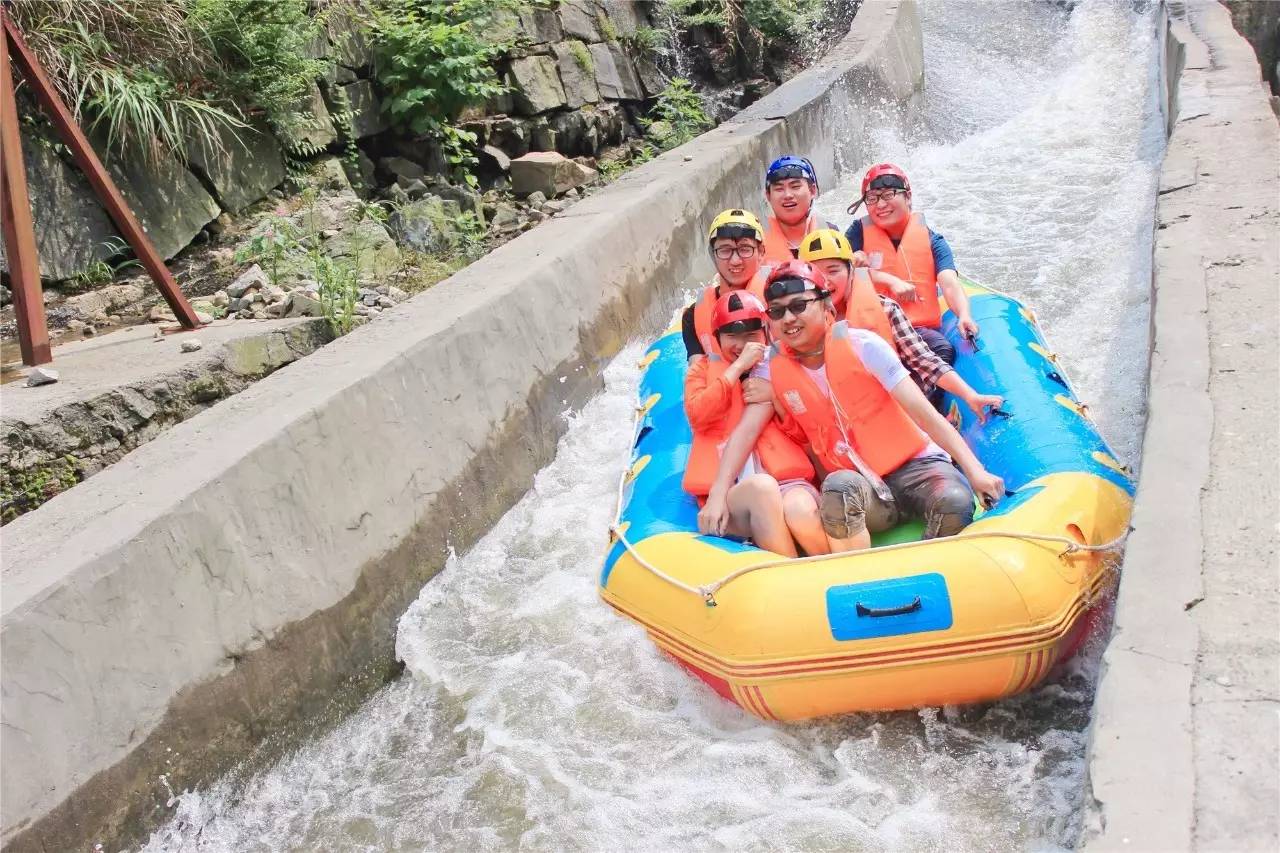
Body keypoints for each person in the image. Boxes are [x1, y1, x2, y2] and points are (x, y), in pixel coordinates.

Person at [718, 261, 1004, 553]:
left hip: (918, 469)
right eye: (777, 312)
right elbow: (745, 432)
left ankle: (920, 567)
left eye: (799, 306)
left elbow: (925, 414)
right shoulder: (770, 368)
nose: (788, 318)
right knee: (839, 489)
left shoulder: (864, 346)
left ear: (826, 306)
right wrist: (718, 494)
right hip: (861, 488)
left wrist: (974, 470)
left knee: (955, 502)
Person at [797, 228, 1004, 419]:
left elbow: (925, 361)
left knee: (941, 349)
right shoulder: (796, 323)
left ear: (851, 271)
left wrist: (969, 395)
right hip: (839, 419)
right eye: (816, 274)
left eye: (833, 271)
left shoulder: (885, 308)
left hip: (889, 414)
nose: (825, 281)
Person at [686, 291, 828, 557]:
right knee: (762, 488)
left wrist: (775, 400)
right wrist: (737, 368)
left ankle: (833, 572)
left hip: (789, 483)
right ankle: (791, 575)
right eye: (732, 336)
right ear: (717, 338)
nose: (742, 344)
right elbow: (698, 415)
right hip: (733, 494)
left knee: (799, 509)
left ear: (765, 334)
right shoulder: (702, 372)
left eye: (751, 336)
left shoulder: (782, 368)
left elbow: (806, 431)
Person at [844, 163, 977, 365]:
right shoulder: (857, 234)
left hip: (917, 329)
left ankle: (923, 394)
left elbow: (949, 283)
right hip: (870, 327)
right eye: (872, 199)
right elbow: (835, 275)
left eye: (889, 195)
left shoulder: (933, 241)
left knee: (942, 349)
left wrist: (964, 314)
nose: (880, 205)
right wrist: (886, 279)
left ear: (908, 196)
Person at [681, 209, 770, 362]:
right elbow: (697, 376)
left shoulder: (781, 302)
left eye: (745, 249)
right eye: (725, 250)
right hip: (723, 384)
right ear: (713, 255)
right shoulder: (692, 316)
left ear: (761, 252)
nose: (735, 260)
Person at [760, 156, 838, 264]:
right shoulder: (755, 240)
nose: (787, 195)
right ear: (768, 195)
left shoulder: (832, 233)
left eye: (795, 186)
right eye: (779, 189)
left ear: (812, 190)